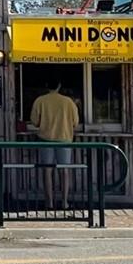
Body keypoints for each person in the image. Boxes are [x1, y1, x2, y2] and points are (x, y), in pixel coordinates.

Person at [29, 81, 81, 211]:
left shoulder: (40, 101)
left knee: (47, 171)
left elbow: (34, 122)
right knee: (64, 171)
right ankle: (64, 202)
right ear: (59, 86)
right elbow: (75, 122)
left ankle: (49, 203)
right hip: (64, 139)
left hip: (45, 139)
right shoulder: (68, 102)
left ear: (47, 86)